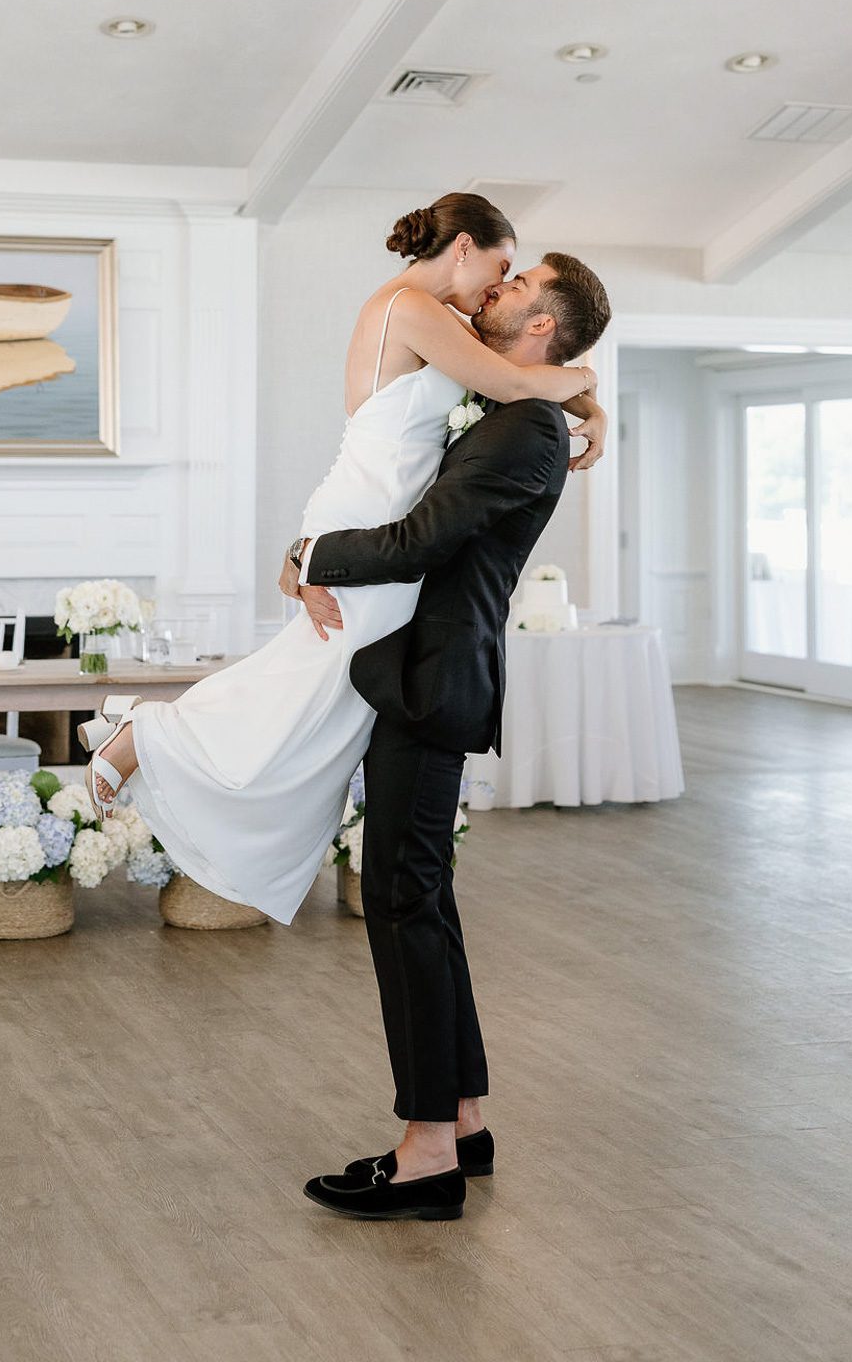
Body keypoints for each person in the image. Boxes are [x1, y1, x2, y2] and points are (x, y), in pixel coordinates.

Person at [80, 194, 607, 932]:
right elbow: (521, 383)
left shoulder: (443, 322)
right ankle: (149, 735)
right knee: (321, 673)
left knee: (329, 681)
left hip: (370, 514)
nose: (497, 284)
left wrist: (594, 405)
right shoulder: (407, 307)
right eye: (499, 266)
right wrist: (590, 401)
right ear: (462, 247)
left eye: (513, 280)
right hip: (367, 515)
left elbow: (533, 373)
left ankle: (158, 738)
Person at [292, 254, 613, 1221]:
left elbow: (422, 540)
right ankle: (461, 1124)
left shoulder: (522, 431)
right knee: (419, 897)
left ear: (540, 328)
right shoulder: (515, 407)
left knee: (400, 899)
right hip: (428, 675)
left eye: (519, 287)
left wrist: (307, 555)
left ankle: (426, 1150)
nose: (495, 289)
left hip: (435, 683)